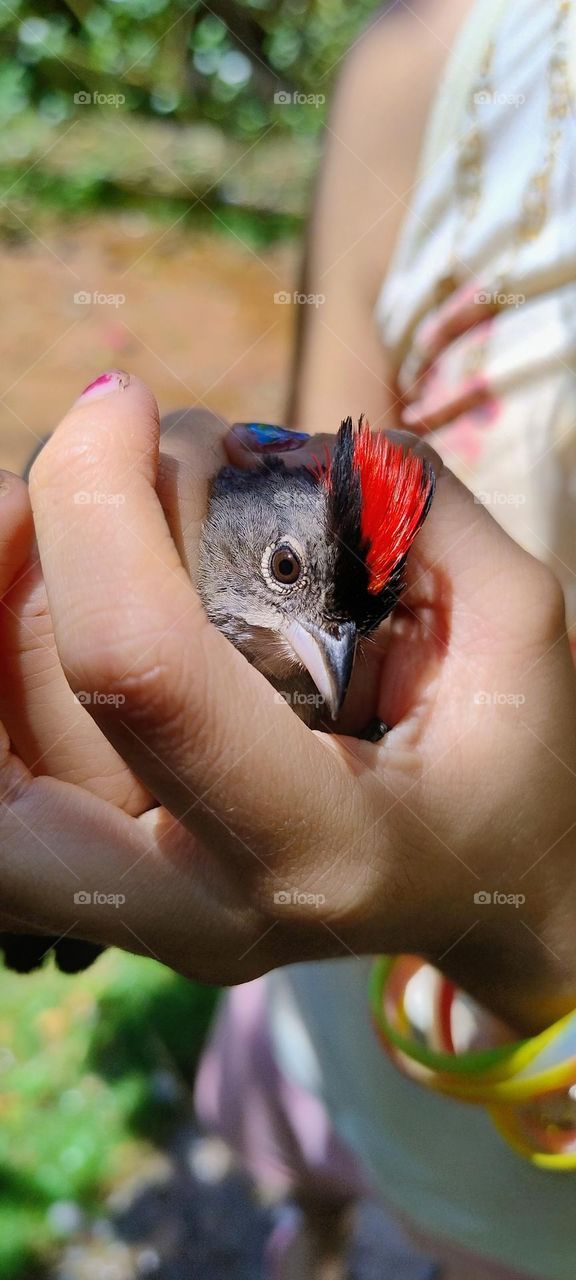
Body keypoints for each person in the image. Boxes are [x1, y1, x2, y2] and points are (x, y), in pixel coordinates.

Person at [1, 0, 575, 1277]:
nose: (334, 656)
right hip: (336, 996)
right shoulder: (419, 62)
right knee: (310, 1132)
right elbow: (334, 471)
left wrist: (543, 923)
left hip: (534, 1175)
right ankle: (313, 1223)